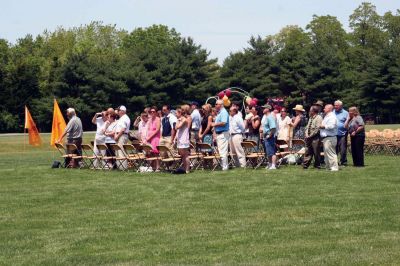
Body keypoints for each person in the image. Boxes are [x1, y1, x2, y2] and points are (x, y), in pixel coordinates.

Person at [320, 104, 339, 171]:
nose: (324, 109)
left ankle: (334, 167)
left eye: (325, 108)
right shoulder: (327, 116)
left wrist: (322, 126)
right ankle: (328, 167)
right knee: (326, 154)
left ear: (329, 109)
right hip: (326, 138)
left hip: (330, 137)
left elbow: (331, 126)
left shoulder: (332, 117)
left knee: (331, 153)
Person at [212, 99, 230, 171]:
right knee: (221, 150)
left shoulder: (223, 112)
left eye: (216, 104)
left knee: (223, 151)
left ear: (221, 105)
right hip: (220, 133)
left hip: (223, 133)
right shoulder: (220, 112)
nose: (215, 105)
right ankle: (224, 166)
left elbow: (224, 122)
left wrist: (214, 124)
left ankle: (225, 167)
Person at [174, 105, 192, 173]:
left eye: (177, 113)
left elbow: (178, 127)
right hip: (180, 138)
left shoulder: (185, 119)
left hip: (184, 138)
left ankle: (187, 169)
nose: (176, 114)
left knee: (185, 154)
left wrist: (179, 121)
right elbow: (176, 128)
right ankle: (184, 168)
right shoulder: (179, 119)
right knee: (182, 155)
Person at [114, 105, 131, 170]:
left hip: (122, 135)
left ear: (122, 111)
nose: (117, 111)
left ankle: (123, 167)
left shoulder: (125, 118)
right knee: (118, 151)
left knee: (121, 151)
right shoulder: (121, 118)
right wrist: (116, 135)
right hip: (119, 135)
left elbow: (123, 129)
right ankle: (120, 167)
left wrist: (117, 136)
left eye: (119, 110)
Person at [261, 104, 277, 170]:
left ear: (267, 109)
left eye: (264, 108)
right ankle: (270, 164)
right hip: (266, 136)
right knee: (268, 152)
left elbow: (273, 128)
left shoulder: (270, 117)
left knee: (272, 152)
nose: (263, 109)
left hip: (269, 137)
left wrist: (269, 135)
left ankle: (273, 165)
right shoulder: (267, 117)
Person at [334, 100, 349, 166]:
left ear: (341, 106)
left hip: (342, 134)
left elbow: (349, 123)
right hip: (334, 134)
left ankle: (343, 161)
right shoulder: (332, 112)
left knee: (342, 149)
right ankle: (335, 162)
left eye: (337, 105)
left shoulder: (346, 113)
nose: (335, 106)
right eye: (335, 105)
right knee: (334, 149)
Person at [146, 106, 161, 171]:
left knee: (156, 153)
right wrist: (147, 137)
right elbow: (148, 129)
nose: (152, 113)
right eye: (151, 112)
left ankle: (158, 167)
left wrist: (150, 137)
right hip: (150, 138)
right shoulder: (150, 120)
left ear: (156, 112)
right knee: (151, 153)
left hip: (155, 138)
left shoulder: (158, 119)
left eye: (153, 111)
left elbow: (157, 130)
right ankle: (153, 167)